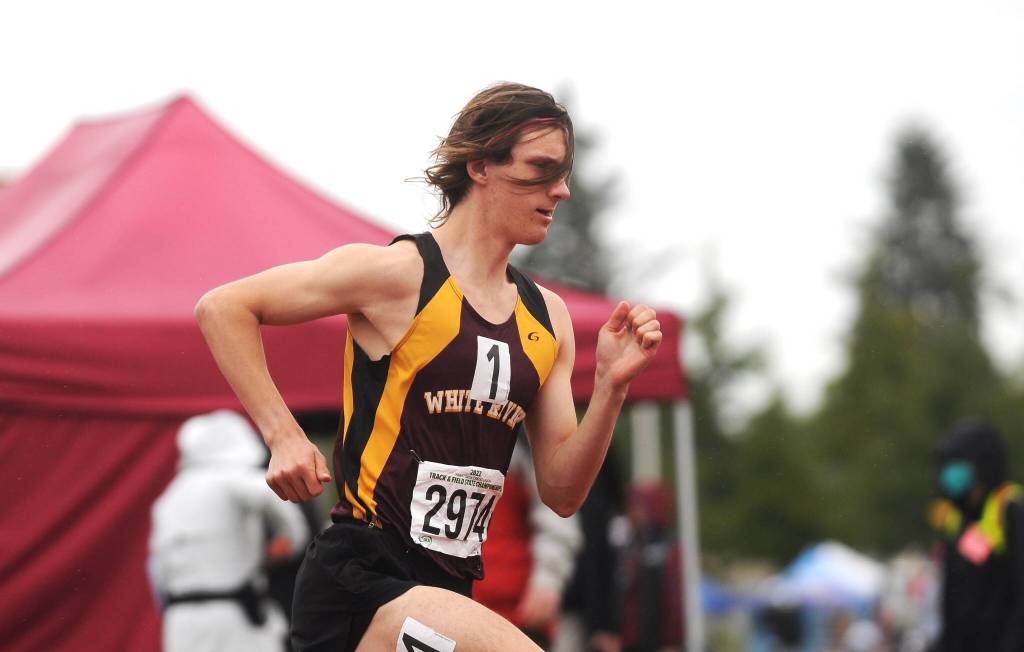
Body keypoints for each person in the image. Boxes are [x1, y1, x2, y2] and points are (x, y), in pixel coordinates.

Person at [194, 82, 663, 652]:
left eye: (564, 173)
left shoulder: (549, 319)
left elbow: (563, 493)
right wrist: (284, 436)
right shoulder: (399, 275)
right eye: (542, 169)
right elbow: (223, 308)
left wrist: (611, 389)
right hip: (364, 580)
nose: (561, 190)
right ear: (481, 165)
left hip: (451, 585)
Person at [149, 410, 310, 652]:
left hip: (179, 623)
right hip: (234, 619)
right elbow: (273, 498)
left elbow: (156, 571)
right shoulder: (234, 478)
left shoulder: (168, 500)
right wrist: (289, 540)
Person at [474, 432, 583, 647]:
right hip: (461, 607)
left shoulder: (519, 444)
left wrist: (547, 582)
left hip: (519, 611)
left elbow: (556, 514)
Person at [929, 419, 1024, 651]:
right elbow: (954, 606)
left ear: (982, 465)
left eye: (958, 463)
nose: (950, 472)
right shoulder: (957, 521)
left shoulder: (1009, 509)